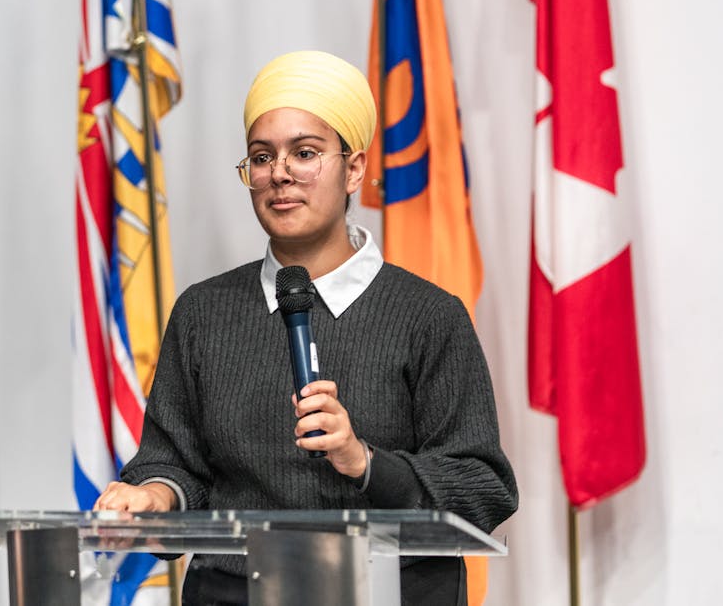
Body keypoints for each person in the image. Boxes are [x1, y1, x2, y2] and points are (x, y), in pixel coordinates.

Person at [94, 50, 517, 605]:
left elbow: (483, 490)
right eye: (262, 157)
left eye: (306, 153)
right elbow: (175, 462)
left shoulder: (428, 315)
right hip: (231, 593)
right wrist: (154, 495)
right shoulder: (203, 312)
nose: (280, 174)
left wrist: (363, 461)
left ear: (355, 169)